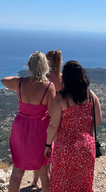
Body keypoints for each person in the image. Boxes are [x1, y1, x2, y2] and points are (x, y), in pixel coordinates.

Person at [1, 51, 56, 192]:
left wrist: (21, 78)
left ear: (29, 66)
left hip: (20, 130)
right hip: (40, 132)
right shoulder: (49, 87)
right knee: (45, 174)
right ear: (45, 66)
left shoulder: (20, 83)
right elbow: (52, 115)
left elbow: (4, 80)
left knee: (17, 172)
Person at [45, 60, 102, 192]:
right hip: (87, 146)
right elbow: (98, 119)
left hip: (65, 147)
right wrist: (86, 131)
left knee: (62, 182)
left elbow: (54, 125)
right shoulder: (91, 95)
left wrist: (48, 145)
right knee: (83, 184)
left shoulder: (61, 98)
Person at [32, 50, 64, 188]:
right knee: (53, 149)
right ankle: (52, 179)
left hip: (47, 115)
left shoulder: (46, 78)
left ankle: (36, 180)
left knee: (42, 150)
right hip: (61, 115)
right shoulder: (63, 78)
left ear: (49, 60)